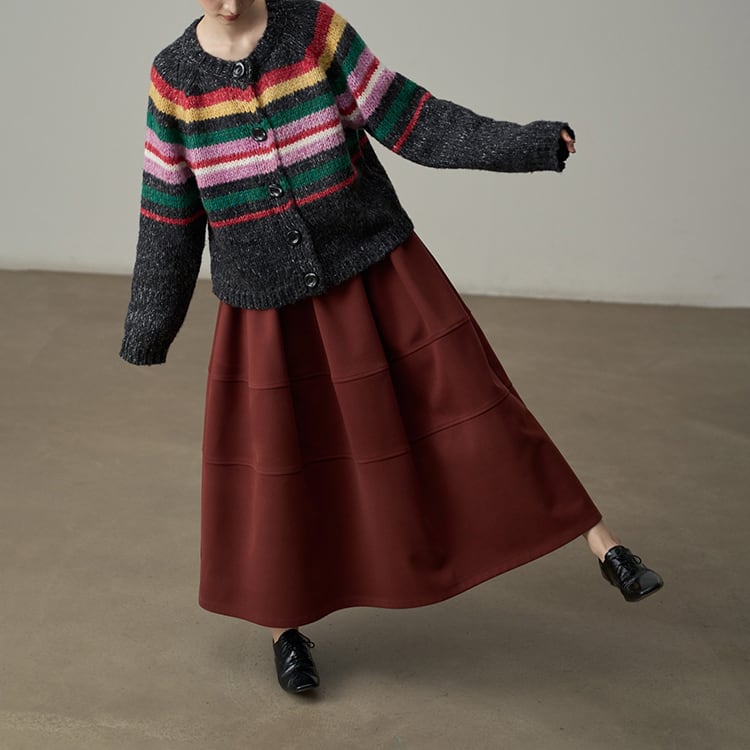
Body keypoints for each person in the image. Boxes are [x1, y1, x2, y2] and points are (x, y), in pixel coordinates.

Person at [120, 0, 663, 695]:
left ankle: (603, 544)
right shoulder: (174, 79)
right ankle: (286, 631)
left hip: (378, 270)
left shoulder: (312, 30)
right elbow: (169, 210)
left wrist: (528, 144)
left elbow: (414, 119)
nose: (229, 4)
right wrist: (149, 326)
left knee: (478, 403)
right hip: (267, 311)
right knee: (279, 470)